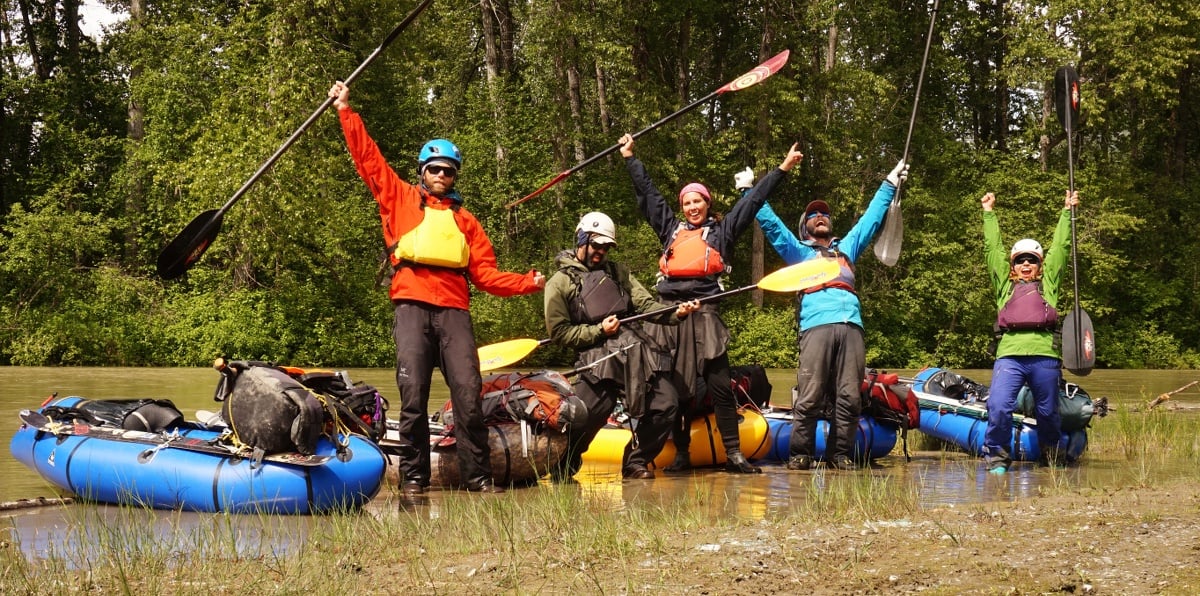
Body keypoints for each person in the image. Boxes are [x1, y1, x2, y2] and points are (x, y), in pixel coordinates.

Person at [328, 81, 545, 495]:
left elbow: (487, 276)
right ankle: (413, 479)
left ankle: (477, 478)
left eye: (449, 170)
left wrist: (527, 284)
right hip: (411, 306)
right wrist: (345, 110)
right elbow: (368, 160)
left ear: (454, 175)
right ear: (423, 172)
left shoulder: (468, 222)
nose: (441, 175)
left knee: (467, 393)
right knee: (413, 395)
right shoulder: (400, 199)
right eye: (435, 168)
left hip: (454, 312)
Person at [618, 134, 804, 474]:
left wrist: (782, 168)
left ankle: (734, 454)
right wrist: (630, 159)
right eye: (687, 203)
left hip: (706, 313)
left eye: (697, 202)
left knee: (719, 385)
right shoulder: (670, 231)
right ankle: (682, 454)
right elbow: (649, 194)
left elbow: (753, 202)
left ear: (707, 204)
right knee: (678, 388)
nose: (692, 208)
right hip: (670, 316)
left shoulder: (722, 232)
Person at [754, 159, 908, 471]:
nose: (820, 217)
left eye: (823, 214)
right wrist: (750, 192)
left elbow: (870, 219)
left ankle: (840, 456)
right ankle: (801, 454)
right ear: (805, 227)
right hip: (816, 326)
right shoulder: (799, 253)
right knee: (810, 395)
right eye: (813, 215)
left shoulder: (846, 250)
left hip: (852, 325)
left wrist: (890, 183)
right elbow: (772, 226)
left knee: (850, 397)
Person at [544, 212, 700, 480]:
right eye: (596, 246)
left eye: (606, 247)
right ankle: (562, 469)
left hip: (634, 353)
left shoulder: (618, 273)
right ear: (582, 239)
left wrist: (677, 313)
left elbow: (646, 305)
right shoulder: (559, 282)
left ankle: (635, 462)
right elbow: (559, 332)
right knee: (585, 416)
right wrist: (598, 330)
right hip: (596, 359)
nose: (601, 252)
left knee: (666, 404)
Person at [980, 190, 1079, 474]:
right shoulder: (1004, 286)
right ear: (1012, 266)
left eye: (1032, 260)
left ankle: (1051, 455)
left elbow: (1060, 249)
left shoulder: (1049, 285)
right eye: (1020, 260)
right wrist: (988, 214)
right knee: (998, 406)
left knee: (1047, 411)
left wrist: (1067, 212)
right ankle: (998, 457)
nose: (1026, 264)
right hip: (1009, 355)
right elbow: (993, 249)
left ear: (1039, 265)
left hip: (1044, 355)